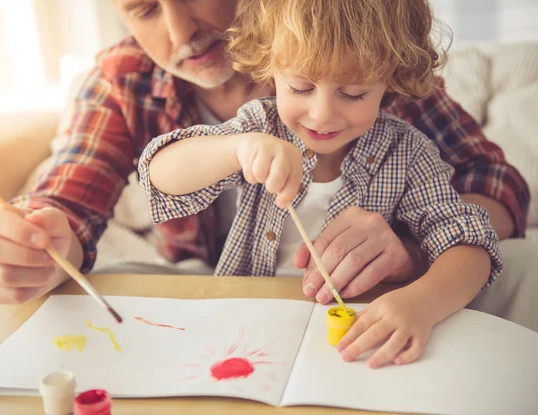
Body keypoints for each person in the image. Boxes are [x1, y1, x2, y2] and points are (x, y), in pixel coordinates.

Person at [0, 0, 535, 333]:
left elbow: (487, 187)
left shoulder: (363, 43)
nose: (180, 31)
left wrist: (413, 255)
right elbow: (80, 202)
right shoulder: (141, 86)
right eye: (142, 7)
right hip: (229, 302)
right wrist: (32, 240)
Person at [137, 0, 504, 368]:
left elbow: (471, 244)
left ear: (392, 78)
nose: (322, 114)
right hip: (249, 333)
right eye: (300, 87)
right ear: (270, 69)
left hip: (358, 340)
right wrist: (235, 149)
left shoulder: (409, 153)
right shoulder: (258, 127)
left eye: (354, 93)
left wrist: (423, 302)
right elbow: (158, 175)